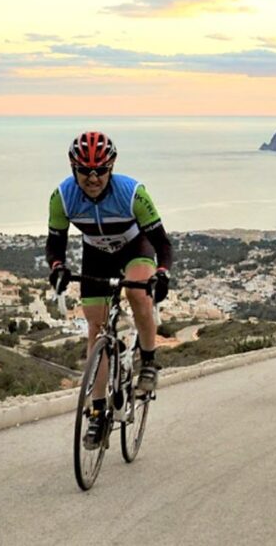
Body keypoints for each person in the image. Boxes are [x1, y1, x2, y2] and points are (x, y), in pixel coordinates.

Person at [47, 131, 173, 450]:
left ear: (111, 167)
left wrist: (162, 273)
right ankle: (98, 411)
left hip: (134, 247)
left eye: (100, 170)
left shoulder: (133, 193)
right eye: (85, 170)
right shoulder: (62, 197)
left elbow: (162, 243)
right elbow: (55, 244)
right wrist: (57, 268)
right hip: (96, 255)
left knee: (137, 294)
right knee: (96, 327)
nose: (93, 178)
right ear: (73, 167)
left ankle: (148, 362)